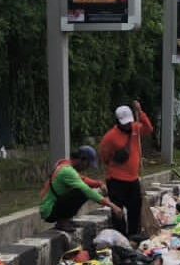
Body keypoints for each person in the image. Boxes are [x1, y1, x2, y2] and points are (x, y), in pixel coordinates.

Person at [98, 101, 153, 239]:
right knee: (117, 211)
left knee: (135, 208)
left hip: (133, 178)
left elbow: (149, 128)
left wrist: (140, 112)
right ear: (118, 121)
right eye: (124, 123)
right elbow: (105, 156)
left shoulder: (136, 129)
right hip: (116, 180)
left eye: (129, 122)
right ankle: (120, 236)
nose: (128, 125)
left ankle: (134, 235)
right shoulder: (110, 137)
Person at [40, 146, 123, 231]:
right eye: (87, 165)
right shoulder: (67, 171)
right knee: (81, 192)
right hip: (49, 210)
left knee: (82, 189)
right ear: (82, 160)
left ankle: (66, 219)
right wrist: (112, 205)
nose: (86, 168)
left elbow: (83, 179)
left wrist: (99, 184)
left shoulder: (65, 166)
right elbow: (86, 190)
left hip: (51, 207)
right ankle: (63, 221)